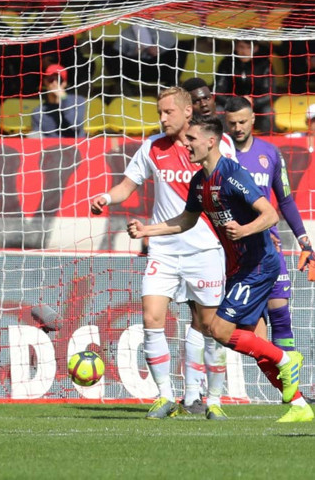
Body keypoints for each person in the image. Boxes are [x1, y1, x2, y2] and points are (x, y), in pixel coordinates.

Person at [127, 113, 312, 423]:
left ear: (211, 141)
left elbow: (270, 214)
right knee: (251, 341)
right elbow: (186, 220)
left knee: (219, 329)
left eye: (192, 139)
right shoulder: (200, 181)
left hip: (258, 266)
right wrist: (148, 230)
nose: (186, 145)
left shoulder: (233, 174)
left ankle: (285, 358)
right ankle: (298, 404)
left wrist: (245, 229)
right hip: (238, 268)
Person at [90, 87, 234, 420]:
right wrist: (106, 198)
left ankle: (210, 398)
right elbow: (127, 186)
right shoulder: (152, 147)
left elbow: (232, 187)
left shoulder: (216, 145)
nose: (162, 118)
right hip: (164, 250)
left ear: (187, 112)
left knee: (210, 327)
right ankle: (165, 396)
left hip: (205, 249)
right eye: (159, 113)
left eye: (168, 112)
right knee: (151, 318)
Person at [224, 96, 313, 379]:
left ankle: (292, 388)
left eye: (242, 121)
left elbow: (285, 200)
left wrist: (303, 240)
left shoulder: (270, 153)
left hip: (269, 247)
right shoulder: (221, 155)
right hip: (234, 250)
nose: (238, 128)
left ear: (253, 119)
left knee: (281, 315)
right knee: (236, 326)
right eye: (232, 123)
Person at [214, 40, 273, 134]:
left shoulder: (264, 64)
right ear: (236, 47)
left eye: (249, 48)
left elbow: (270, 93)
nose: (244, 51)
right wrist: (235, 102)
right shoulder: (226, 63)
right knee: (218, 111)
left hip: (256, 105)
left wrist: (254, 101)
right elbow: (218, 91)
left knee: (269, 112)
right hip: (230, 104)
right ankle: (224, 139)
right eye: (241, 47)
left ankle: (267, 140)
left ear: (256, 48)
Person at [31, 64, 86, 138]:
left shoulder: (78, 101)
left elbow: (76, 125)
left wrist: (64, 99)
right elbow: (37, 136)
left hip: (75, 143)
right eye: (51, 79)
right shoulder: (38, 112)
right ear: (45, 82)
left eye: (59, 80)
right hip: (52, 144)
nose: (55, 83)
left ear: (64, 83)